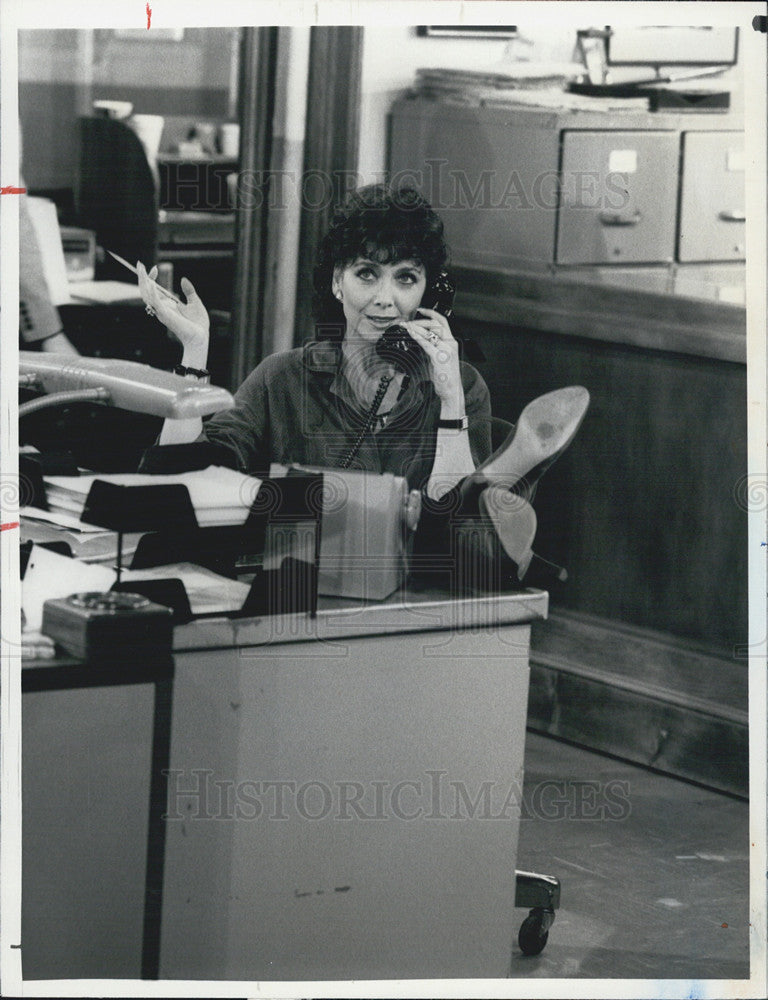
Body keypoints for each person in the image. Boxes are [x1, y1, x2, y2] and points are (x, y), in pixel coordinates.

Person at [138, 183, 588, 586]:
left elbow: (461, 539)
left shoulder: (463, 387)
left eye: (406, 278)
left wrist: (450, 401)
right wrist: (194, 354)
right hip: (300, 602)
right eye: (367, 273)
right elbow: (178, 484)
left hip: (414, 609)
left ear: (430, 293)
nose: (384, 299)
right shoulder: (283, 377)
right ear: (337, 281)